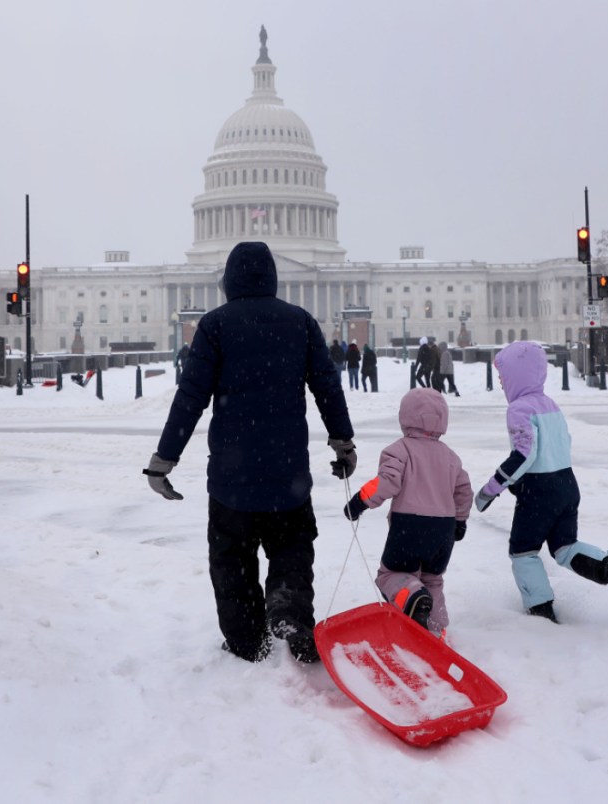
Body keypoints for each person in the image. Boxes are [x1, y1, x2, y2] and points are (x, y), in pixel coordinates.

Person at [143, 242, 356, 664]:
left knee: (232, 562)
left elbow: (190, 398)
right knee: (293, 548)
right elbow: (327, 388)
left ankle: (245, 640)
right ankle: (289, 606)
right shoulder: (301, 323)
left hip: (231, 477)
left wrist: (163, 460)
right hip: (288, 473)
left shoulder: (215, 326)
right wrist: (342, 442)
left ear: (228, 282)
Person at [474, 340, 608, 623]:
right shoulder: (550, 405)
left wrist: (492, 489)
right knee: (565, 547)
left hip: (538, 492)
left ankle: (541, 612)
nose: (502, 383)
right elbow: (562, 443)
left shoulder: (519, 409)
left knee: (523, 552)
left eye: (504, 376)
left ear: (517, 375)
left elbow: (524, 453)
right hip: (567, 484)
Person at [345, 387, 472, 636]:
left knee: (391, 575)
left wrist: (360, 500)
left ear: (405, 417)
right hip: (443, 531)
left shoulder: (400, 449)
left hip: (410, 526)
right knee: (433, 579)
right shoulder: (450, 457)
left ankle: (414, 597)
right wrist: (460, 520)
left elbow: (387, 481)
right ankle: (435, 631)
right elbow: (464, 490)